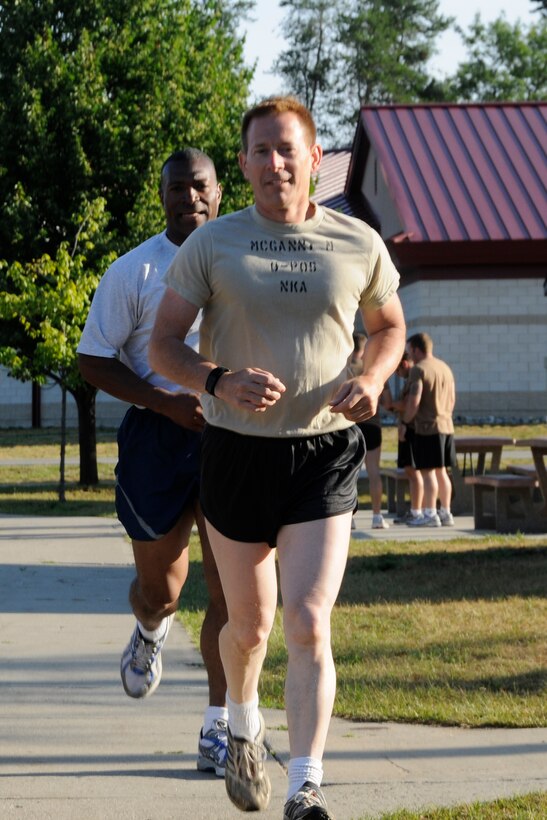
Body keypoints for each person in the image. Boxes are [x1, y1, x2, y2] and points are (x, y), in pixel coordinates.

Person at [149, 97, 406, 819]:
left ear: (314, 158)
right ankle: (240, 723)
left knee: (307, 621)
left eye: (287, 149)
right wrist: (215, 379)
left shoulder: (357, 243)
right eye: (259, 151)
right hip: (235, 452)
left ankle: (305, 784)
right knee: (250, 625)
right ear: (242, 163)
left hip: (323, 452)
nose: (273, 163)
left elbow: (388, 327)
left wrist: (373, 376)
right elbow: (162, 345)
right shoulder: (213, 244)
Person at [77, 148, 229, 777]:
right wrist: (162, 401)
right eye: (176, 188)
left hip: (231, 435)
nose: (189, 197)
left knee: (233, 595)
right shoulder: (133, 271)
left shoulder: (242, 260)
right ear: (161, 194)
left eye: (200, 186)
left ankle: (220, 725)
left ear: (219, 192)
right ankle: (148, 631)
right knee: (162, 592)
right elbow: (93, 358)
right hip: (157, 436)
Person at [402, 332, 456, 527]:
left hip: (427, 427)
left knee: (427, 472)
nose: (410, 356)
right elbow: (452, 400)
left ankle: (430, 514)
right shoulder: (445, 368)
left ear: (417, 349)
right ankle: (446, 512)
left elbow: (414, 401)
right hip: (446, 425)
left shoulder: (418, 370)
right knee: (442, 471)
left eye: (410, 351)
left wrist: (405, 420)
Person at [351, 332, 391, 529]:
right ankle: (377, 516)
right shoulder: (375, 371)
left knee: (350, 473)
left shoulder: (346, 369)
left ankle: (349, 518)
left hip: (351, 425)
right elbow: (387, 401)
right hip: (373, 422)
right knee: (374, 471)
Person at [390, 351, 424, 523]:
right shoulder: (410, 378)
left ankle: (417, 511)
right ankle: (414, 509)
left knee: (413, 471)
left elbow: (409, 404)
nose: (398, 375)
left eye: (397, 370)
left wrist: (392, 405)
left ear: (404, 364)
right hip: (407, 428)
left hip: (411, 429)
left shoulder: (414, 377)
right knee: (409, 471)